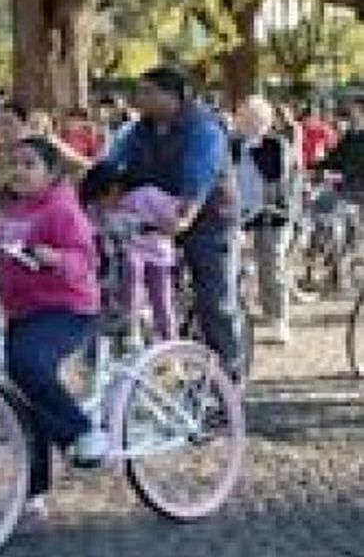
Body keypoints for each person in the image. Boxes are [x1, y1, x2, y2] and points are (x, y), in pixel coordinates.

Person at [0, 137, 103, 519]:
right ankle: (32, 493)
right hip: (23, 313)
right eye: (14, 163)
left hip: (66, 309)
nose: (19, 170)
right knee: (26, 399)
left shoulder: (63, 211)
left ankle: (82, 432)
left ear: (51, 173)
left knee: (27, 366)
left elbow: (86, 259)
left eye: (29, 164)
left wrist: (55, 258)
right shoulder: (14, 212)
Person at [94, 66, 242, 376]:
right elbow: (112, 165)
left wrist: (187, 214)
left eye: (148, 91)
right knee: (129, 278)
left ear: (174, 96)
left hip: (208, 218)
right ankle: (153, 352)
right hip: (154, 214)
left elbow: (200, 172)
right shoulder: (138, 131)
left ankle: (228, 377)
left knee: (213, 299)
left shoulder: (202, 128)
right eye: (139, 91)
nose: (140, 98)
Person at [79, 163, 182, 341]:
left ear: (114, 189)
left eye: (100, 198)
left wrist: (161, 226)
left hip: (156, 256)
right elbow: (92, 230)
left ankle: (170, 343)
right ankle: (129, 320)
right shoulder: (97, 209)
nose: (101, 205)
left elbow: (175, 218)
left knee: (162, 303)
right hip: (121, 257)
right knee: (130, 264)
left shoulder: (147, 196)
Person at [232, 96, 300, 345]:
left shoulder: (276, 144)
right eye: (245, 118)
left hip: (271, 214)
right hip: (239, 214)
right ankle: (238, 318)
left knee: (271, 266)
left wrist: (254, 146)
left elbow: (277, 175)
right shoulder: (231, 145)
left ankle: (278, 319)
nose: (250, 124)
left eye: (256, 119)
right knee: (233, 268)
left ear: (268, 121)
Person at [298, 103, 339, 172]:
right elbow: (332, 143)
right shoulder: (322, 127)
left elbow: (331, 142)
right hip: (315, 160)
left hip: (312, 160)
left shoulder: (317, 127)